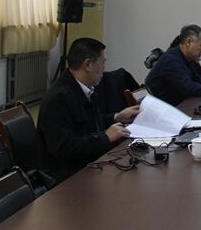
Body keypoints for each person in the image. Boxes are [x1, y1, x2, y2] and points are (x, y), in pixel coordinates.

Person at [38, 38, 140, 183]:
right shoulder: (59, 99)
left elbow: (86, 122)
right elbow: (64, 147)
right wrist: (106, 138)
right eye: (102, 62)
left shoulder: (82, 88)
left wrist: (116, 117)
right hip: (69, 177)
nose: (104, 68)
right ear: (87, 65)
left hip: (88, 163)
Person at [145, 24, 201, 106]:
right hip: (163, 108)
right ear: (189, 42)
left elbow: (197, 79)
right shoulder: (171, 60)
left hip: (177, 105)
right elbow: (189, 88)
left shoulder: (186, 57)